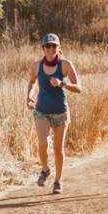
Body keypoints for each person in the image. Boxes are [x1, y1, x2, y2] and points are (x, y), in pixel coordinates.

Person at [26, 33, 82, 194]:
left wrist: (62, 83)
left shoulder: (65, 65)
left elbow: (79, 88)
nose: (51, 49)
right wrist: (29, 96)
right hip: (41, 110)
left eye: (54, 46)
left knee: (58, 149)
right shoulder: (36, 66)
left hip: (60, 112)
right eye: (47, 46)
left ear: (59, 48)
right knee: (42, 143)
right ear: (43, 49)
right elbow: (31, 82)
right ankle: (45, 169)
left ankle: (57, 182)